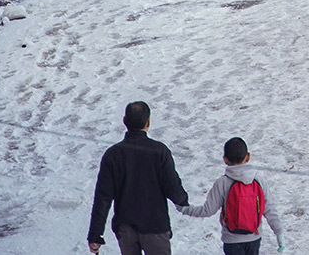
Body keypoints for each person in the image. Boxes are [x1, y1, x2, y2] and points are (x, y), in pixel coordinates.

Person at [88, 101, 190, 255]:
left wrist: (95, 234)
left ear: (124, 121)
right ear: (148, 122)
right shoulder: (159, 151)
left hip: (126, 228)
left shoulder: (113, 155)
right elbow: (172, 186)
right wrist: (183, 202)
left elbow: (103, 197)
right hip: (155, 226)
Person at [176, 137, 285, 254]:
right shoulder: (259, 181)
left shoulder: (222, 183)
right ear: (248, 157)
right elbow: (270, 210)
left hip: (231, 240)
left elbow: (207, 211)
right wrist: (279, 234)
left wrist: (184, 209)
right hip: (254, 239)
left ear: (225, 160)